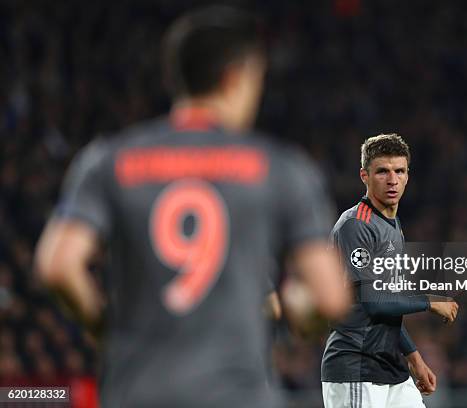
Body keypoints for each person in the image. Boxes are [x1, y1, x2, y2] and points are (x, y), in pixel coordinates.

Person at [34, 6, 350, 407]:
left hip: (137, 392)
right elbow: (327, 296)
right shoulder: (280, 169)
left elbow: (58, 265)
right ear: (236, 77)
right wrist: (298, 309)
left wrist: (103, 327)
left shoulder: (109, 162)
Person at [321, 134, 459, 408]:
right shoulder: (356, 225)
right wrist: (429, 301)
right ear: (364, 176)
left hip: (391, 368)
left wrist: (415, 359)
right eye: (382, 171)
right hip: (357, 367)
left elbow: (389, 304)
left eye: (399, 171)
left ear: (408, 176)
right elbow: (373, 303)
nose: (392, 179)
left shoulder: (392, 226)